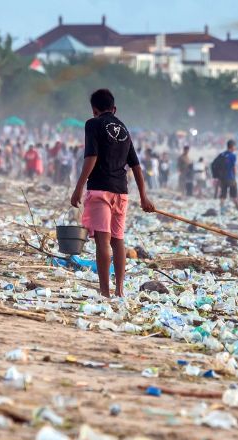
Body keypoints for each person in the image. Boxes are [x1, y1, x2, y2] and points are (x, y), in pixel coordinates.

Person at [69, 88, 155, 299]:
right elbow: (136, 166)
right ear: (114, 109)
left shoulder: (93, 124)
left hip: (100, 189)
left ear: (94, 110)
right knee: (118, 241)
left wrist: (79, 186)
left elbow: (91, 157)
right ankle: (119, 290)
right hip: (121, 192)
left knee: (102, 241)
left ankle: (105, 291)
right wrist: (144, 197)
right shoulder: (124, 129)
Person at [214, 139, 238, 214]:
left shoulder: (222, 154)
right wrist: (235, 177)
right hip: (230, 178)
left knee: (223, 194)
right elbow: (233, 167)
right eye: (235, 146)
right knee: (234, 195)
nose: (235, 148)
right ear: (232, 146)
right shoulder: (233, 155)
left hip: (222, 178)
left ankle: (222, 210)